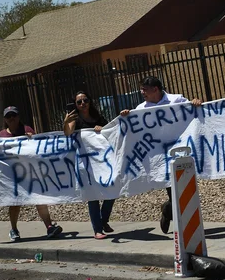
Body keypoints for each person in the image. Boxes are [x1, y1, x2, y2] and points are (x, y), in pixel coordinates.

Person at [120, 76, 202, 234]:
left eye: (144, 89)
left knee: (185, 187)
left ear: (155, 89)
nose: (141, 92)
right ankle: (181, 224)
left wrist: (195, 102)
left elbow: (191, 110)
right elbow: (133, 126)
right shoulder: (141, 108)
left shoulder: (175, 100)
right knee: (173, 189)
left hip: (180, 151)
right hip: (160, 157)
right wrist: (126, 115)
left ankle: (168, 210)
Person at [0, 106, 62, 242]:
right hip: (13, 175)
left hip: (30, 172)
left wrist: (32, 139)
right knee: (15, 204)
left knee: (39, 200)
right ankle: (14, 229)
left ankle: (49, 227)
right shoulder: (2, 135)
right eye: (8, 116)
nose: (11, 118)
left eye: (13, 115)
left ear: (18, 117)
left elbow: (36, 150)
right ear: (5, 119)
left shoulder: (27, 130)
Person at [63, 91, 115, 240]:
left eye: (85, 100)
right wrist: (66, 122)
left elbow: (110, 132)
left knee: (112, 189)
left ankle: (103, 220)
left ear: (90, 101)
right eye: (79, 102)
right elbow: (68, 133)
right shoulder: (75, 119)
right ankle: (97, 229)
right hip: (85, 163)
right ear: (76, 105)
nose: (82, 104)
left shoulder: (98, 117)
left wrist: (101, 129)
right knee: (93, 196)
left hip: (101, 161)